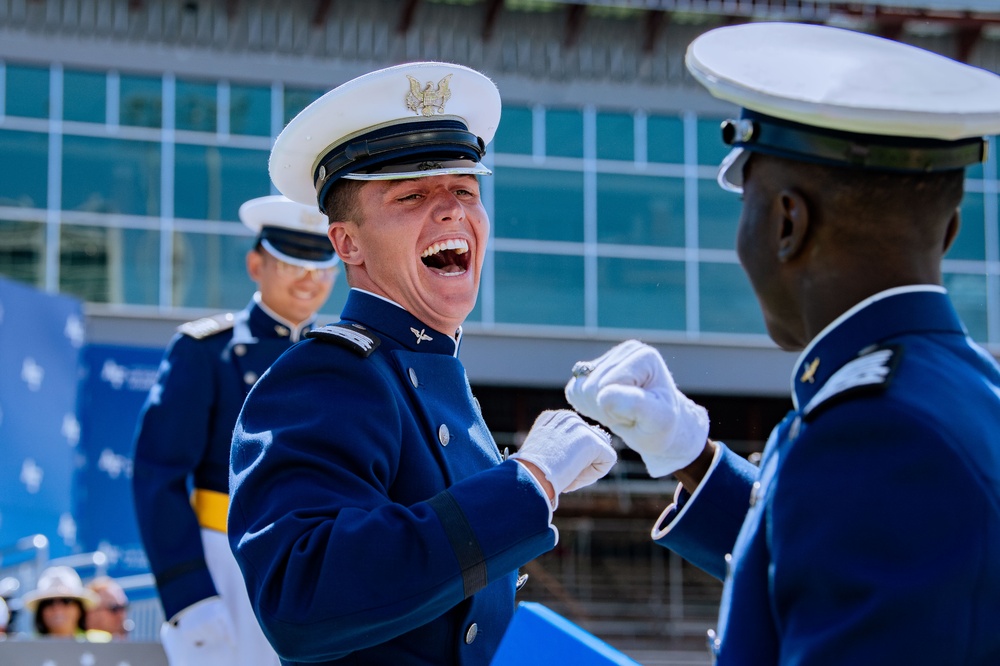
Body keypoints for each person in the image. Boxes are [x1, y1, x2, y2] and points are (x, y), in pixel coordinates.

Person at [564, 22, 1000, 665]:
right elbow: (852, 549)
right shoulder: (963, 388)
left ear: (788, 222)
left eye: (748, 206)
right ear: (950, 231)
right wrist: (692, 457)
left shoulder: (873, 434)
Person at [228, 61, 618, 665]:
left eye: (465, 189)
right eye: (412, 194)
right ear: (347, 244)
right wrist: (529, 482)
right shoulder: (329, 374)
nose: (451, 210)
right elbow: (298, 593)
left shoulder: (441, 376)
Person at [132, 194, 339, 665]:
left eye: (322, 267)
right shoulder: (205, 351)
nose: (310, 279)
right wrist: (188, 593)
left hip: (321, 563)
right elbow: (156, 474)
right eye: (291, 263)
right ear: (255, 264)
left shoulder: (339, 357)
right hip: (226, 560)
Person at [22, 566, 110, 641]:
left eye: (66, 601)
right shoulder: (26, 649)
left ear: (79, 608)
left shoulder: (103, 643)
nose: (57, 608)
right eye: (49, 602)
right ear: (40, 611)